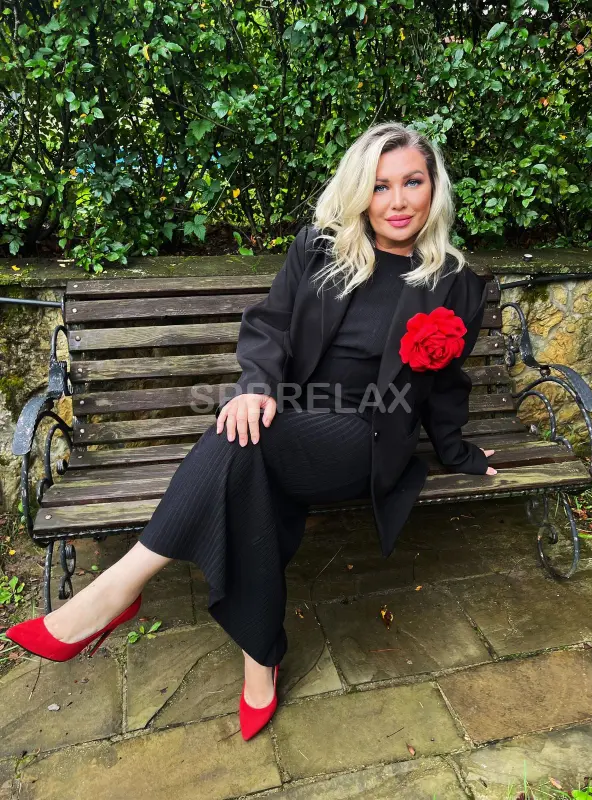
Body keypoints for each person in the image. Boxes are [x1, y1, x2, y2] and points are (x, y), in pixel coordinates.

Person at [7, 121, 498, 741]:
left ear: (434, 188)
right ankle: (258, 654)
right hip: (289, 415)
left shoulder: (454, 283)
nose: (397, 202)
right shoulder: (321, 249)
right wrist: (257, 386)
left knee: (242, 439)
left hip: (368, 435)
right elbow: (270, 326)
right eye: (380, 186)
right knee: (246, 451)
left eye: (412, 183)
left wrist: (458, 452)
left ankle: (116, 593)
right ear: (360, 192)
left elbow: (447, 385)